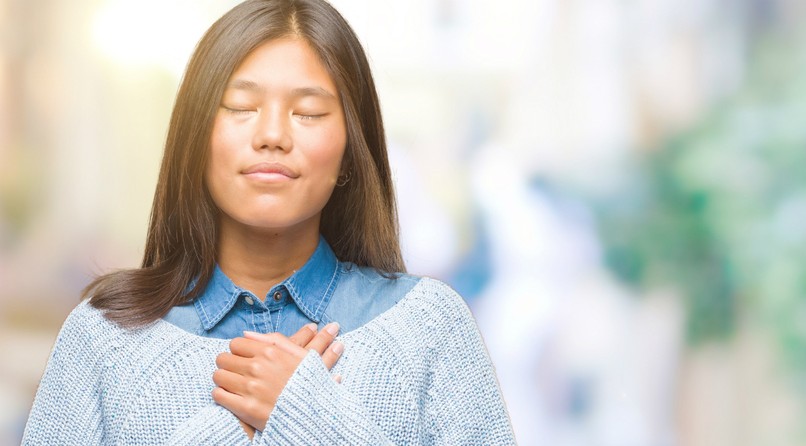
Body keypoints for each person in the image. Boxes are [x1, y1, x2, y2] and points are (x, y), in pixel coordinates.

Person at [22, 0, 515, 444]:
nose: (273, 135)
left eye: (308, 112)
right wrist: (229, 428)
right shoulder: (105, 337)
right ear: (195, 135)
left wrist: (306, 414)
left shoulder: (428, 327)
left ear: (349, 152)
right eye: (240, 107)